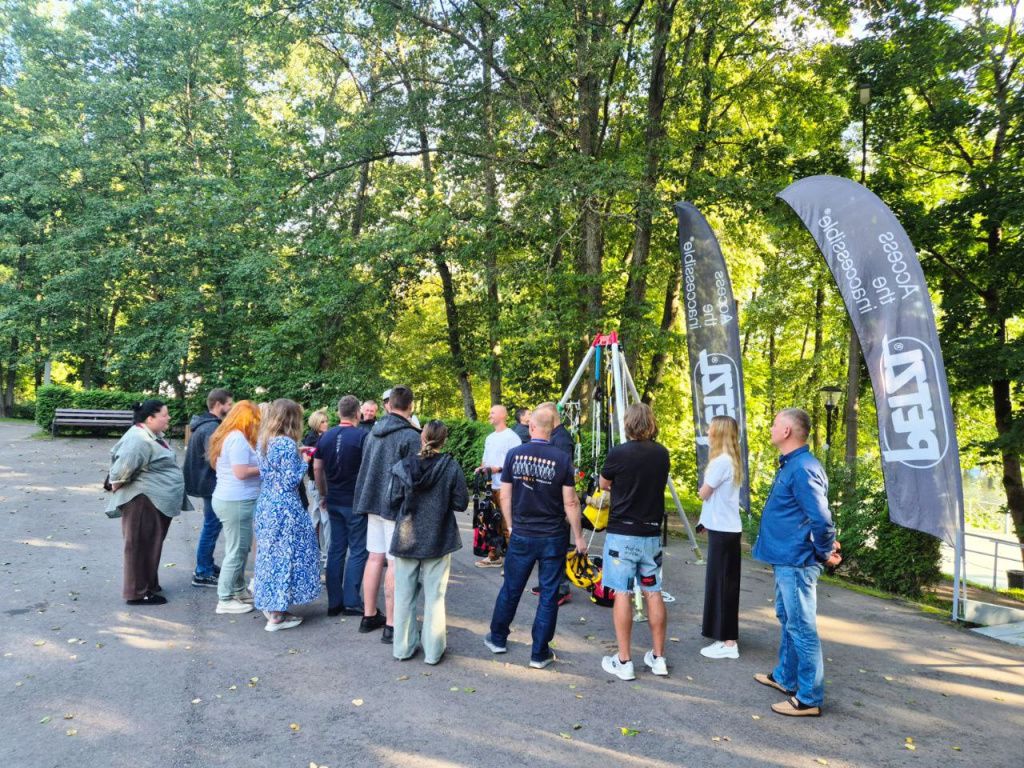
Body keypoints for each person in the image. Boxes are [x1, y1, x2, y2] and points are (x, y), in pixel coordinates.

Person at [752, 408, 841, 717]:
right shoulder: (794, 464)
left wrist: (824, 551)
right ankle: (785, 677)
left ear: (787, 431)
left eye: (776, 423)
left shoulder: (803, 468)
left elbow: (821, 519)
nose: (772, 426)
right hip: (787, 558)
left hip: (798, 561)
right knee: (787, 618)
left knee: (802, 627)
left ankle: (809, 698)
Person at [484, 406, 587, 670]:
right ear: (552, 429)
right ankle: (539, 653)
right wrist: (578, 537)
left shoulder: (514, 455)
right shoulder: (562, 459)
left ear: (531, 427)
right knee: (549, 593)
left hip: (522, 533)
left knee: (511, 588)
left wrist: (511, 525)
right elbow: (571, 503)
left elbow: (505, 495)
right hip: (552, 535)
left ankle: (497, 639)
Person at [597, 403, 671, 681]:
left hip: (622, 534)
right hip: (650, 534)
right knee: (653, 592)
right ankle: (659, 657)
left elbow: (605, 483)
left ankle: (624, 660)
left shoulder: (619, 452)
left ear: (628, 423)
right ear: (651, 423)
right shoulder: (662, 453)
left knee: (623, 593)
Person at [388, 420, 468, 664]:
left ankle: (402, 648)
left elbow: (391, 500)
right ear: (444, 440)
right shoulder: (451, 467)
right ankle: (433, 651)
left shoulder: (402, 467)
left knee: (404, 595)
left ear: (422, 437)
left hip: (406, 536)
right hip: (438, 536)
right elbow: (461, 503)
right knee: (435, 597)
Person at [105, 399, 192, 605]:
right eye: (165, 414)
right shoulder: (138, 438)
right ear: (150, 418)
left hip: (153, 501)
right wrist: (117, 487)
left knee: (150, 544)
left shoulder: (150, 435)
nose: (168, 418)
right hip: (143, 501)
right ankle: (137, 592)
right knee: (139, 546)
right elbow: (119, 473)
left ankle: (148, 584)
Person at [352, 385, 421, 643]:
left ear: (389, 405)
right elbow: (415, 476)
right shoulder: (410, 436)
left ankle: (369, 615)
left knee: (374, 558)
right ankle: (392, 624)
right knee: (394, 563)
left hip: (372, 502)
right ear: (410, 406)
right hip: (395, 505)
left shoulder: (373, 433)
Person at [253, 399, 322, 631]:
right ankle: (277, 615)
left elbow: (271, 473)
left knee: (271, 555)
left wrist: (296, 454)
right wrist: (303, 462)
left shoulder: (265, 440)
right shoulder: (285, 443)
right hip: (285, 507)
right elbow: (289, 482)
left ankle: (271, 603)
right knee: (287, 556)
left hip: (267, 504)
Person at [314, 395, 368, 617]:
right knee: (357, 550)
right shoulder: (363, 437)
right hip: (355, 501)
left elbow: (317, 468)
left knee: (336, 548)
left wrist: (323, 493)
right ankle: (351, 601)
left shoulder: (325, 437)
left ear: (339, 413)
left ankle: (334, 602)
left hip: (333, 499)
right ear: (358, 413)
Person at [207, 400, 262, 616]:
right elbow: (241, 472)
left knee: (240, 547)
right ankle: (225, 598)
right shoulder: (238, 439)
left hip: (232, 499)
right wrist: (266, 467)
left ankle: (238, 589)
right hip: (236, 501)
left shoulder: (230, 436)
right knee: (237, 551)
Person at [698, 415, 744, 660]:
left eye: (711, 430)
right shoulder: (732, 461)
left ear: (719, 434)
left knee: (722, 585)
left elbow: (704, 494)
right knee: (723, 584)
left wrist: (702, 493)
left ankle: (728, 643)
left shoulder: (720, 462)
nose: (708, 433)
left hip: (724, 531)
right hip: (726, 529)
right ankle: (724, 636)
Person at [183, 388, 233, 588]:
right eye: (229, 404)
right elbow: (214, 459)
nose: (230, 408)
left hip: (204, 482)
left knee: (211, 525)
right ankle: (202, 571)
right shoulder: (211, 427)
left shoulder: (202, 424)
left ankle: (207, 565)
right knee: (211, 526)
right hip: (210, 483)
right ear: (219, 405)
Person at [529, 401, 574, 605]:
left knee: (558, 547)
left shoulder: (562, 439)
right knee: (547, 548)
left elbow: (564, 473)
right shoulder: (552, 437)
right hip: (546, 501)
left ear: (551, 417)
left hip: (557, 502)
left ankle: (561, 588)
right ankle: (547, 583)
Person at [474, 405, 522, 568]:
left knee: (508, 524)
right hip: (490, 487)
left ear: (503, 415)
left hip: (506, 487)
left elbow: (517, 463)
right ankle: (494, 556)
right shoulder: (490, 438)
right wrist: (481, 468)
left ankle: (512, 562)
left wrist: (499, 469)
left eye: (492, 412)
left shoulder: (512, 437)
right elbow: (485, 459)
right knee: (490, 523)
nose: (489, 415)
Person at [303, 409, 331, 561]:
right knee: (324, 518)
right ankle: (325, 553)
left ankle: (315, 550)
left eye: (326, 421)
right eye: (323, 421)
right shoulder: (312, 440)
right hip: (317, 482)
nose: (326, 424)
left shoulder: (320, 437)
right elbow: (315, 465)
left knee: (316, 516)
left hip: (317, 482)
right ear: (316, 423)